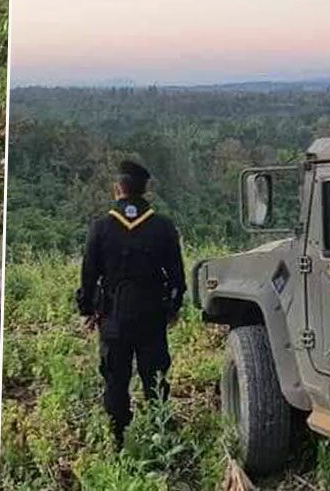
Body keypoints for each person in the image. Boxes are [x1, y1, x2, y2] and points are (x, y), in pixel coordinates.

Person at [76, 160, 186, 449]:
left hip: (113, 316)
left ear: (118, 189)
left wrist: (87, 310)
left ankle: (118, 438)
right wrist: (173, 308)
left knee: (115, 377)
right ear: (145, 190)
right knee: (155, 377)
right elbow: (177, 275)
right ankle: (161, 435)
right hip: (151, 314)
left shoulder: (100, 228)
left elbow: (88, 274)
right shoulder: (163, 227)